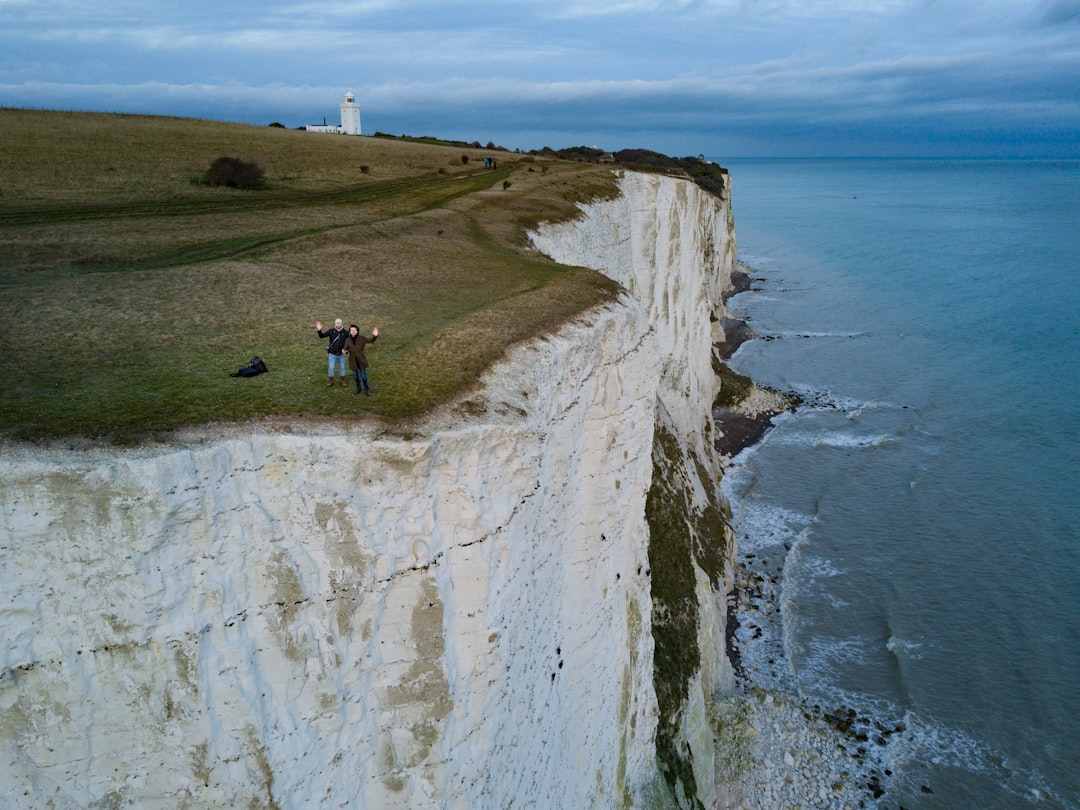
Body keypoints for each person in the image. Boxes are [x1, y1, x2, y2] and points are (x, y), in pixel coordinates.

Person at [345, 324, 379, 395]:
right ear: (350, 332)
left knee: (364, 377)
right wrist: (344, 351)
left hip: (361, 361)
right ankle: (358, 388)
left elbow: (370, 340)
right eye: (351, 330)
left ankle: (367, 389)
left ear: (357, 331)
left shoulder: (362, 338)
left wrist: (375, 336)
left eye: (354, 330)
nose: (353, 331)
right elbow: (346, 348)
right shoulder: (347, 340)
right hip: (353, 361)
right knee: (356, 377)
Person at [315, 318, 350, 386]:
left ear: (341, 323)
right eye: (337, 323)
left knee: (342, 367)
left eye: (339, 323)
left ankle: (342, 381)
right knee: (331, 367)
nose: (338, 324)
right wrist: (319, 330)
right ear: (335, 324)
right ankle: (331, 381)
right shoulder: (331, 331)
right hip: (332, 353)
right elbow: (322, 336)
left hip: (342, 354)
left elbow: (349, 342)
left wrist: (346, 351)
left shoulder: (346, 332)